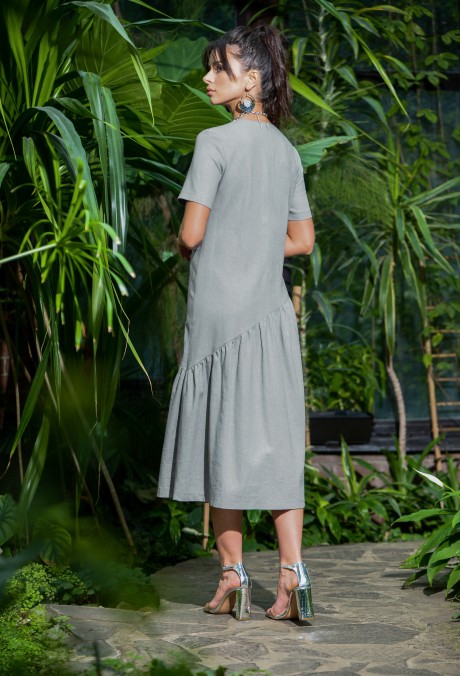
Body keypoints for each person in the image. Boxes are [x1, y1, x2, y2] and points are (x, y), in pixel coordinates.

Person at [157, 24, 315, 622]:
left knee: (221, 435)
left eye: (218, 69)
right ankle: (294, 576)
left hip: (221, 312)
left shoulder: (213, 141)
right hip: (270, 312)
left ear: (251, 80)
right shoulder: (287, 152)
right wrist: (254, 243)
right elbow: (302, 241)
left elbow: (191, 234)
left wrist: (190, 245)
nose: (207, 78)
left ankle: (233, 576)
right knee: (272, 439)